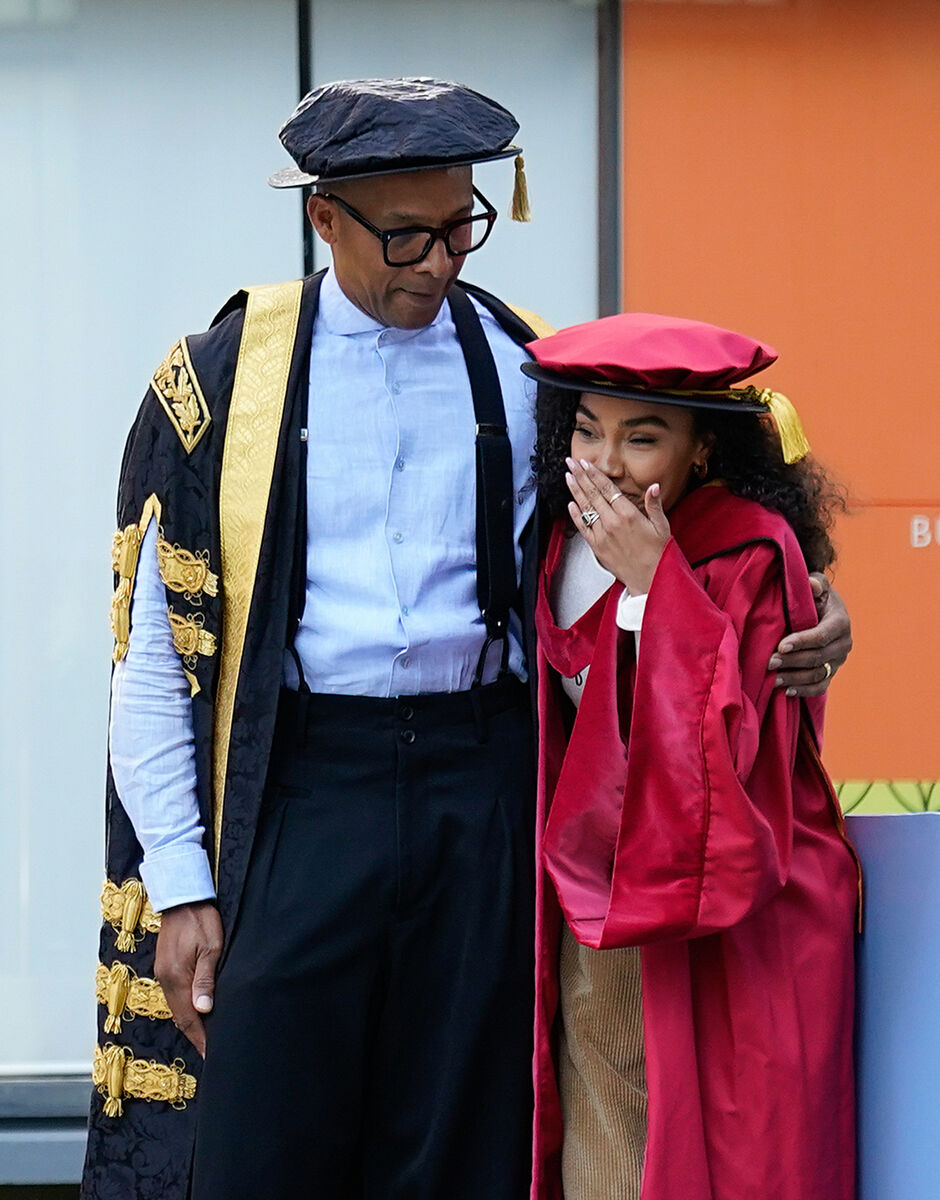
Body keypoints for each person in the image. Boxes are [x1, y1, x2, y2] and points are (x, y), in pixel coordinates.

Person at [81, 80, 852, 1200]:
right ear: (324, 218)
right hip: (301, 792)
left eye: (460, 227)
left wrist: (816, 599)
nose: (439, 264)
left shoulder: (528, 363)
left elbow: (694, 518)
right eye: (405, 237)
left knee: (463, 1144)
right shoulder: (218, 384)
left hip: (486, 790)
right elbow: (155, 656)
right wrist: (184, 884)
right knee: (258, 1145)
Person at [523, 312, 859, 1200]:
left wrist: (653, 585)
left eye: (643, 437)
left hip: (735, 905)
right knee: (601, 1110)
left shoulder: (748, 548)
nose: (607, 459)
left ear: (701, 452)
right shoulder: (558, 535)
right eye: (589, 429)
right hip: (596, 879)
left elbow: (730, 753)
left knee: (738, 1145)